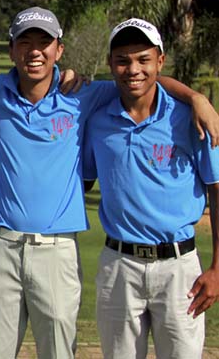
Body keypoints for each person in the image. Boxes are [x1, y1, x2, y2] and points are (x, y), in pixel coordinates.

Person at [0, 7, 219, 359]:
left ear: (58, 50)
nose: (34, 51)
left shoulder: (88, 96)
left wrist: (195, 97)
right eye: (25, 42)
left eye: (44, 42)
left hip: (78, 252)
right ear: (11, 50)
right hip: (10, 246)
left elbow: (148, 80)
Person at [82, 18, 219, 358]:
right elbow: (80, 183)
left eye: (143, 59)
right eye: (123, 60)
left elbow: (217, 192)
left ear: (160, 60)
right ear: (110, 64)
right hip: (118, 266)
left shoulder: (191, 117)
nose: (133, 69)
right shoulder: (98, 120)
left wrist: (218, 269)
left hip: (179, 268)